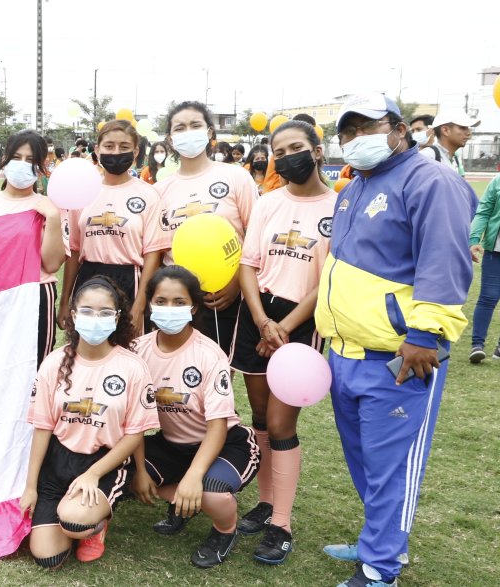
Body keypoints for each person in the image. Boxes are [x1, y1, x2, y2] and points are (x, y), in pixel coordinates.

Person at [315, 92, 476, 587]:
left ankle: (382, 566)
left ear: (400, 129)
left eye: (367, 127)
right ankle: (380, 540)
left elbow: (444, 264)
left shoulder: (431, 181)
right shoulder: (354, 187)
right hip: (347, 353)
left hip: (401, 357)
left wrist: (425, 334)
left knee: (392, 466)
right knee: (364, 459)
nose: (355, 140)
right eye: (347, 132)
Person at [230, 120, 336, 565]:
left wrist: (287, 326)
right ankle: (267, 502)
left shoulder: (339, 205)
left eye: (297, 147)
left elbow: (329, 276)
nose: (287, 155)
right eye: (279, 149)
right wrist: (260, 317)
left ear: (316, 150)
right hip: (258, 315)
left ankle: (282, 524)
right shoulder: (268, 202)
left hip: (301, 320)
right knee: (258, 415)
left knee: (281, 424)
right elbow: (248, 264)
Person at [21, 277, 159, 568]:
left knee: (74, 522)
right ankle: (72, 514)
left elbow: (135, 434)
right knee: (47, 558)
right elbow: (43, 427)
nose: (95, 319)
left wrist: (93, 475)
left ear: (117, 317)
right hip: (58, 462)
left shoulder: (132, 367)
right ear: (73, 314)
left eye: (105, 312)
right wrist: (31, 485)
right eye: (87, 310)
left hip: (104, 461)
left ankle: (93, 526)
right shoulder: (54, 363)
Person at [130, 266, 260, 569]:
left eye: (179, 302)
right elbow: (132, 419)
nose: (169, 309)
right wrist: (138, 469)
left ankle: (224, 531)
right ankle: (181, 505)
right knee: (124, 474)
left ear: (194, 306)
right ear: (149, 304)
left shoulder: (209, 354)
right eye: (161, 301)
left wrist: (192, 477)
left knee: (211, 491)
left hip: (225, 443)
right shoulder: (137, 350)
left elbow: (217, 427)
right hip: (172, 444)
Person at [143, 101, 258, 355]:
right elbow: (157, 250)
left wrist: (237, 282)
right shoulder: (159, 191)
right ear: (170, 139)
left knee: (217, 370)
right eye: (180, 128)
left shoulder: (236, 177)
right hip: (175, 299)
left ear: (209, 133)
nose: (188, 132)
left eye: (195, 125)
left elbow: (254, 238)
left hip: (223, 296)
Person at [0, 130, 66, 366]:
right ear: (4, 160)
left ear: (42, 165)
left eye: (31, 160)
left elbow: (51, 264)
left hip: (35, 295)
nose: (22, 165)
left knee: (34, 367)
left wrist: (51, 217)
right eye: (16, 157)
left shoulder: (51, 207)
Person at [60, 120, 160, 331]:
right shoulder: (82, 192)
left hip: (130, 279)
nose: (116, 152)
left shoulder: (149, 195)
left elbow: (152, 254)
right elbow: (74, 250)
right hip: (88, 277)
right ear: (97, 150)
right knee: (87, 348)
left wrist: (140, 305)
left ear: (135, 152)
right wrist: (64, 302)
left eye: (124, 147)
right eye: (109, 146)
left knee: (128, 350)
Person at [468, 171, 500, 363]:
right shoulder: (497, 182)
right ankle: (477, 345)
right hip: (495, 251)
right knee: (488, 297)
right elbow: (484, 211)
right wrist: (473, 239)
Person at [420, 110, 479, 176]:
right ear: (445, 130)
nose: (468, 133)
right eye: (463, 128)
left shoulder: (455, 157)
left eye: (468, 128)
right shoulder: (427, 157)